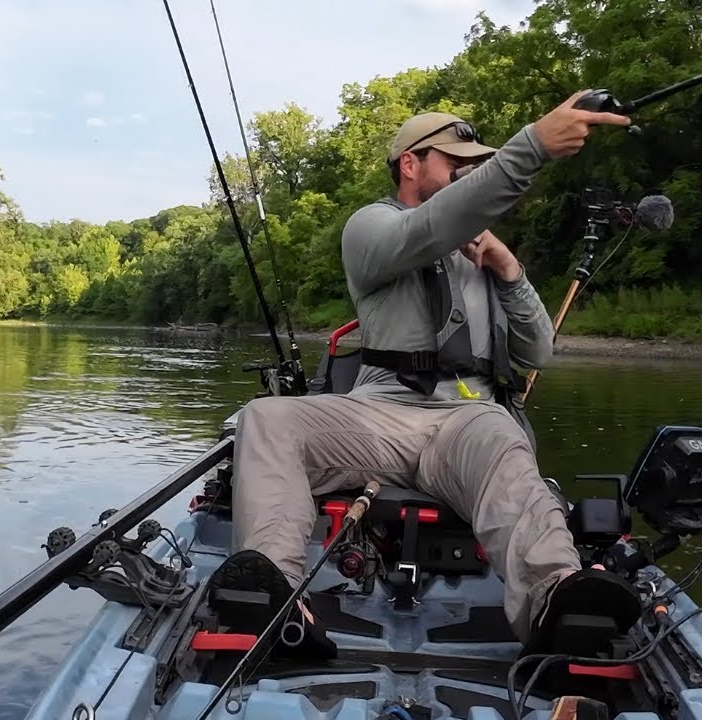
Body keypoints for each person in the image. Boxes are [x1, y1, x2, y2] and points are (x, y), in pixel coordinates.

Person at [207, 91, 643, 661]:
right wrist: (533, 146)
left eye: (475, 165)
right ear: (409, 164)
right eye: (454, 162)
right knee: (266, 417)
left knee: (503, 441)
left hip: (469, 419)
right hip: (378, 414)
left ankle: (556, 600)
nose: (468, 172)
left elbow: (538, 351)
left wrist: (509, 271)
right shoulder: (372, 227)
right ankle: (277, 595)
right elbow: (432, 227)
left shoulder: (483, 255)